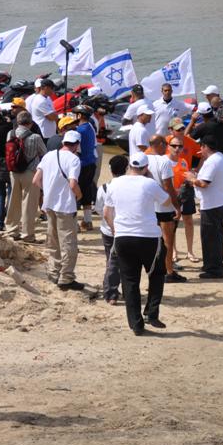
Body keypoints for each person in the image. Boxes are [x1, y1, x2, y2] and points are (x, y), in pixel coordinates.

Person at [103, 153, 172, 335]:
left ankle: (136, 324)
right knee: (157, 274)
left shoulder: (115, 183)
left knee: (129, 280)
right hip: (148, 236)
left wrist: (115, 230)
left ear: (128, 167)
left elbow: (106, 213)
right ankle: (151, 312)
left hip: (123, 236)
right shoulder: (149, 183)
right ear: (145, 167)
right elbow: (166, 200)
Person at [34, 130, 84, 290]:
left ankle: (54, 271)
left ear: (64, 142)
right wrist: (79, 195)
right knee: (68, 242)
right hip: (65, 205)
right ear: (76, 144)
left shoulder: (49, 155)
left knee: (53, 240)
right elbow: (72, 184)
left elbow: (36, 180)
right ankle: (66, 277)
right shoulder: (74, 159)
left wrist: (48, 190)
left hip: (49, 204)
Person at [187, 136, 223, 279]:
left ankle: (214, 269)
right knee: (215, 236)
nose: (200, 150)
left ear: (205, 146)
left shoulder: (213, 161)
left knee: (210, 237)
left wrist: (191, 179)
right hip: (219, 201)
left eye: (201, 147)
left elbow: (204, 183)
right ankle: (214, 264)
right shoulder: (221, 157)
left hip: (212, 204)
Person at [146, 134, 186, 283]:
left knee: (152, 239)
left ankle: (155, 268)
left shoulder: (144, 159)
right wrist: (177, 206)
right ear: (162, 144)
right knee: (167, 240)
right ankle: (168, 271)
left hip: (149, 205)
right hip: (163, 205)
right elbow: (167, 185)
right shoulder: (164, 161)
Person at [4, 110, 48, 243]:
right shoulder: (35, 137)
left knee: (14, 200)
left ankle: (12, 229)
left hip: (14, 171)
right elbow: (44, 154)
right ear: (30, 123)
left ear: (17, 121)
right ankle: (27, 234)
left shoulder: (10, 134)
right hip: (30, 172)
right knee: (29, 204)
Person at [95, 154, 128, 304]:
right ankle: (125, 291)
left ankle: (110, 292)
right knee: (127, 262)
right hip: (126, 229)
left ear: (110, 169)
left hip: (108, 229)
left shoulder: (104, 188)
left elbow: (98, 208)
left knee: (111, 261)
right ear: (126, 169)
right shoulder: (128, 186)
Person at [165, 126, 200, 264]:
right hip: (171, 195)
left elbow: (186, 174)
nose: (177, 148)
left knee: (188, 221)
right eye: (174, 146)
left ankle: (190, 251)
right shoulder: (164, 161)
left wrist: (191, 179)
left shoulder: (183, 161)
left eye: (180, 146)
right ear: (169, 146)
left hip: (185, 193)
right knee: (172, 224)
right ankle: (174, 251)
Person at [72, 105, 98, 231]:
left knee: (75, 193)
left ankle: (74, 223)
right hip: (91, 163)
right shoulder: (91, 127)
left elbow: (76, 149)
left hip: (81, 164)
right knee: (87, 192)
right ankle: (88, 221)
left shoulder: (79, 131)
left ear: (80, 116)